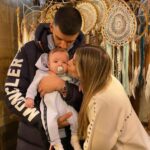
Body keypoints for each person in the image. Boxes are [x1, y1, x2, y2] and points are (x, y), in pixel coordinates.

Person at [5, 6, 84, 150]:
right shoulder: (28, 50)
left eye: (70, 41)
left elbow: (90, 97)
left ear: (77, 34)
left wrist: (63, 86)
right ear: (52, 27)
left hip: (70, 139)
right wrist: (45, 121)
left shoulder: (83, 56)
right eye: (59, 38)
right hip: (32, 139)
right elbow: (12, 91)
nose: (63, 45)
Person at [67, 45, 150, 150]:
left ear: (86, 70)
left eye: (74, 63)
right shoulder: (106, 78)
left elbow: (97, 147)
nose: (68, 63)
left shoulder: (103, 100)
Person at [25, 48, 81, 150]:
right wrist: (29, 97)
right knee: (51, 123)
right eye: (55, 61)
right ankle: (56, 144)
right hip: (50, 106)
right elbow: (33, 86)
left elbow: (75, 84)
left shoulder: (66, 76)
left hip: (64, 107)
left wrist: (79, 84)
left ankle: (74, 137)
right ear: (49, 64)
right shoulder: (41, 74)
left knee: (75, 117)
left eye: (64, 62)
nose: (60, 64)